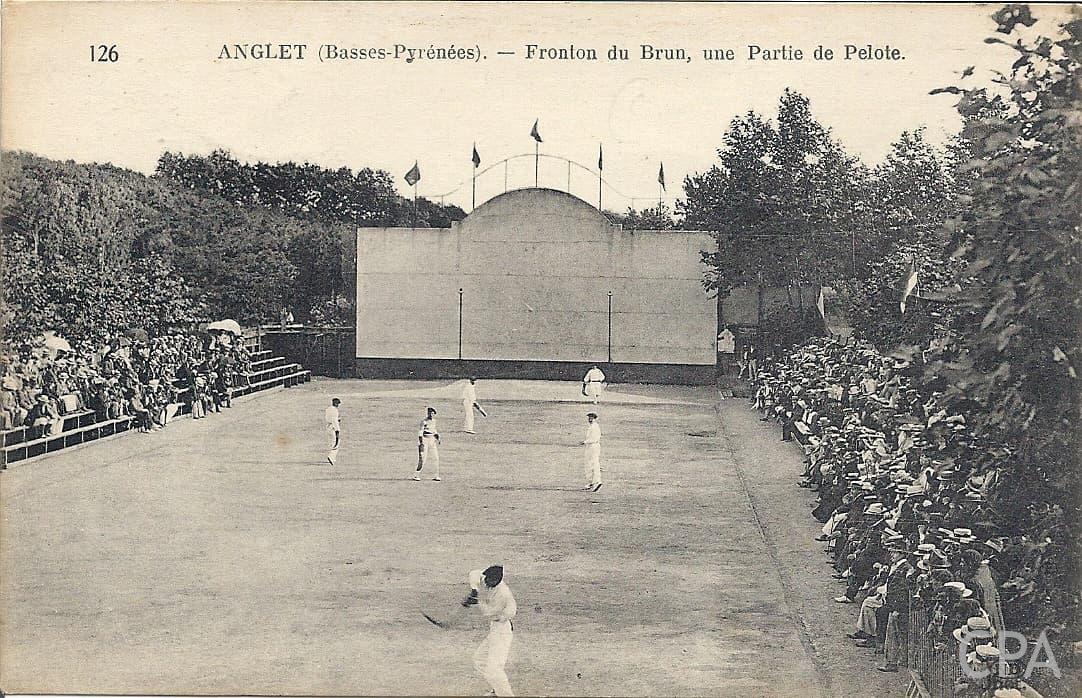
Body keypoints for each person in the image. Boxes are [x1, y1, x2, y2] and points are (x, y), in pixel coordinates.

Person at [462, 565, 517, 697]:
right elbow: (473, 573)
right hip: (494, 629)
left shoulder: (503, 594)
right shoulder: (484, 577)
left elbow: (490, 613)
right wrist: (474, 590)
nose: (487, 584)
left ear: (498, 581)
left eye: (492, 582)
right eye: (487, 580)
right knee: (479, 659)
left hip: (502, 630)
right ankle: (497, 690)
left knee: (493, 669)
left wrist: (477, 601)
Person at [414, 406, 440, 481]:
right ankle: (416, 474)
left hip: (432, 441)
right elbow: (420, 433)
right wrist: (421, 443)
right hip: (425, 440)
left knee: (435, 458)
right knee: (423, 458)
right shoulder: (424, 422)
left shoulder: (434, 421)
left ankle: (436, 475)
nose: (430, 415)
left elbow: (434, 430)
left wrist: (437, 437)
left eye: (432, 413)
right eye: (429, 413)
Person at [582, 412, 602, 492]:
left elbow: (594, 439)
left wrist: (585, 442)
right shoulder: (592, 426)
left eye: (591, 418)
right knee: (589, 464)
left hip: (593, 446)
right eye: (589, 418)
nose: (590, 420)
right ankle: (591, 482)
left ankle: (596, 482)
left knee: (593, 464)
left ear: (595, 419)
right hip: (591, 446)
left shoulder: (595, 427)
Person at [325, 398, 341, 465]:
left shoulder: (328, 409)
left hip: (328, 426)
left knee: (331, 442)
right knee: (336, 443)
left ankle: (331, 456)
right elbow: (334, 420)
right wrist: (337, 430)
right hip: (333, 427)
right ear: (335, 403)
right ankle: (331, 457)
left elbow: (328, 418)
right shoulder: (335, 411)